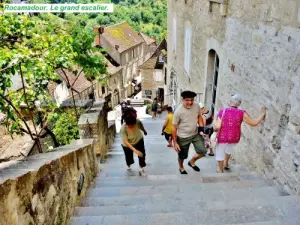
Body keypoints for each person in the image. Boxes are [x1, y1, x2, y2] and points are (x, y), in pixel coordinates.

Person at [214, 94, 266, 173]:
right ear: (239, 103)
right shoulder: (242, 113)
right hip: (234, 136)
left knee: (220, 152)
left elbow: (218, 126)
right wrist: (262, 114)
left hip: (222, 137)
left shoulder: (222, 111)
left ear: (230, 101)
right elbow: (254, 123)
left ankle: (220, 170)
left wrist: (214, 125)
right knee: (229, 149)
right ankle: (226, 164)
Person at [172, 91, 206, 174]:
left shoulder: (197, 106)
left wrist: (201, 130)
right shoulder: (178, 112)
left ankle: (191, 162)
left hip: (195, 134)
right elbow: (173, 128)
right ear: (183, 100)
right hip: (183, 137)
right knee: (182, 156)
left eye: (192, 100)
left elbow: (199, 117)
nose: (190, 102)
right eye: (187, 100)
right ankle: (181, 167)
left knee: (203, 151)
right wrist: (175, 142)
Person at [120, 111, 148, 176]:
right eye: (130, 126)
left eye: (133, 125)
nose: (132, 127)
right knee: (129, 157)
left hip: (138, 139)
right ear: (127, 125)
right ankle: (129, 165)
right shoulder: (123, 129)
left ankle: (141, 168)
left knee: (142, 154)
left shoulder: (137, 121)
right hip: (127, 144)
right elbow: (126, 142)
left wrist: (144, 131)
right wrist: (135, 151)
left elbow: (141, 126)